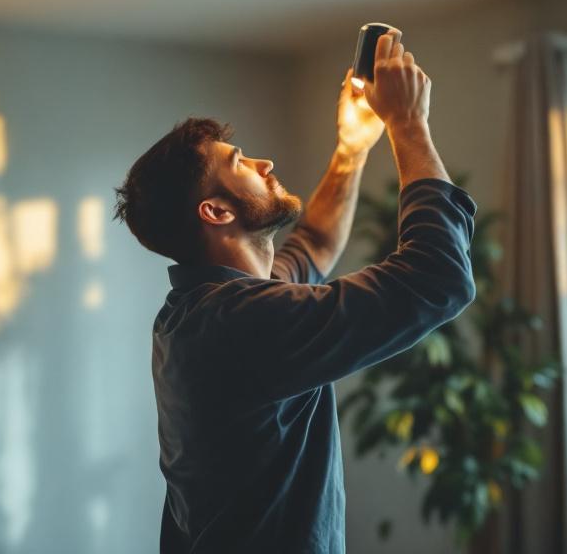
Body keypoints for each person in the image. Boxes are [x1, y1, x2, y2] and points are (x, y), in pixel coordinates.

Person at [113, 29, 478, 553]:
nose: (264, 165)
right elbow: (437, 278)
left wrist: (352, 149)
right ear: (216, 212)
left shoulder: (204, 309)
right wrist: (409, 124)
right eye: (240, 163)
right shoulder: (240, 321)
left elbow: (316, 243)